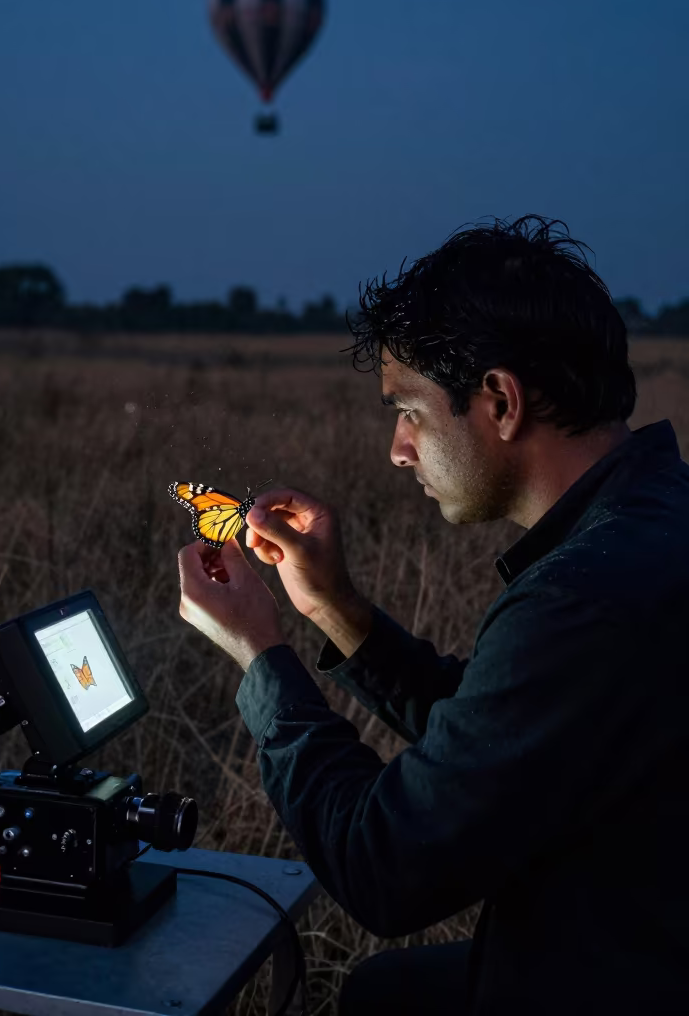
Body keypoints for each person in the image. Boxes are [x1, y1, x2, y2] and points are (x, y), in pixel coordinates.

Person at [176, 214, 689, 1015]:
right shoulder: (653, 523)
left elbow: (386, 868)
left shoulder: (581, 598)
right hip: (627, 951)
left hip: (611, 979)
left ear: (500, 402)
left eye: (409, 409)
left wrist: (260, 655)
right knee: (387, 994)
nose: (397, 448)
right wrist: (335, 608)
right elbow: (495, 734)